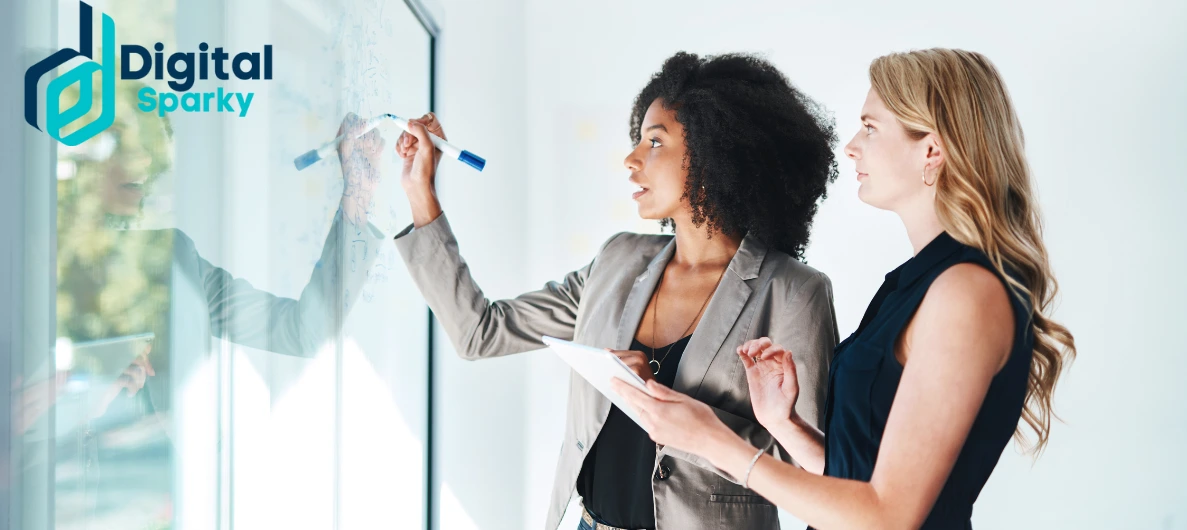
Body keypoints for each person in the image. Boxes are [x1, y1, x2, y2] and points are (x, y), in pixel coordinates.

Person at [612, 48, 1078, 530]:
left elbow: (889, 516)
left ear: (932, 151)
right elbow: (858, 479)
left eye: (871, 128)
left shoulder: (966, 294)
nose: (851, 146)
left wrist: (715, 441)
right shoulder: (915, 283)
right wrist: (782, 424)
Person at [393, 51, 840, 530]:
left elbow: (816, 473)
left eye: (654, 142)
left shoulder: (794, 293)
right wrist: (422, 191)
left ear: (714, 154)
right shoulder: (617, 261)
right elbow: (479, 332)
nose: (631, 159)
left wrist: (677, 411)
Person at [15, 78, 387, 529]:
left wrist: (357, 201)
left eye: (153, 144)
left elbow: (303, 331)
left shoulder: (175, 263)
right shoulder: (17, 274)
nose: (145, 162)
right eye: (123, 143)